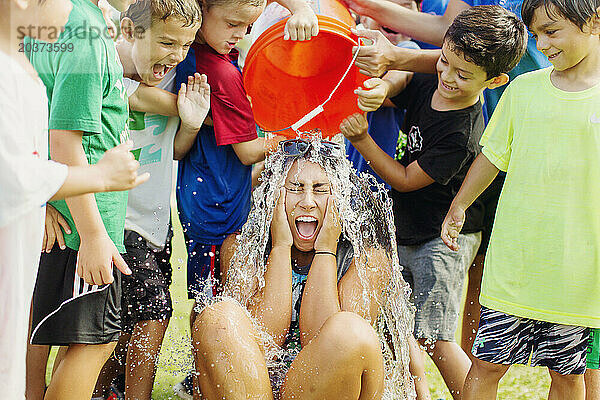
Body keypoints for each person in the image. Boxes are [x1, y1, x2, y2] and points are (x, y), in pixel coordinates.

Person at [340, 6, 527, 398]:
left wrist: (363, 142)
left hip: (441, 242)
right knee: (400, 325)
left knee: (438, 338)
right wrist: (383, 88)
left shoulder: (462, 131)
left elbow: (407, 180)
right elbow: (404, 78)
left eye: (463, 75)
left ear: (494, 81)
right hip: (409, 229)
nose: (447, 77)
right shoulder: (434, 82)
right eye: (444, 62)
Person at [440, 1, 600, 399]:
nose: (541, 43)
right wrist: (459, 205)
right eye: (536, 34)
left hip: (576, 274)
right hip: (515, 268)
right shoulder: (522, 90)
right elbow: (492, 156)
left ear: (593, 21)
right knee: (486, 366)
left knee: (568, 375)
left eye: (552, 31)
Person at [191, 137, 415, 399]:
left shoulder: (369, 261)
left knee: (349, 330)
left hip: (323, 389)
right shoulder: (241, 247)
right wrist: (281, 247)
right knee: (218, 316)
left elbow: (333, 347)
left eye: (320, 189)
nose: (307, 201)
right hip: (256, 390)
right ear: (275, 194)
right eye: (296, 188)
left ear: (338, 198)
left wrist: (325, 251)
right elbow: (265, 343)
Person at [0, 0, 147, 397]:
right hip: (81, 228)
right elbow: (62, 139)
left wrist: (44, 195)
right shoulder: (81, 31)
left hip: (57, 219)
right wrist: (95, 229)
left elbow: (35, 140)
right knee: (93, 341)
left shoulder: (44, 38)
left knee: (33, 335)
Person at [84, 1, 209, 399]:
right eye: (168, 42)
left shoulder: (171, 75)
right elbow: (137, 100)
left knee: (128, 318)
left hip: (155, 221)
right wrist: (189, 110)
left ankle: (105, 391)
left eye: (186, 45)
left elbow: (175, 147)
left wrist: (190, 123)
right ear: (130, 31)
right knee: (154, 311)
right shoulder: (107, 69)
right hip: (119, 219)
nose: (176, 55)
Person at [346, 0, 421, 190]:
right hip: (347, 169)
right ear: (362, 14)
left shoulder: (411, 50)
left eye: (404, 7)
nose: (394, 15)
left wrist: (384, 87)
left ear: (418, 16)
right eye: (386, 5)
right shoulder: (351, 45)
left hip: (384, 178)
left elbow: (401, 76)